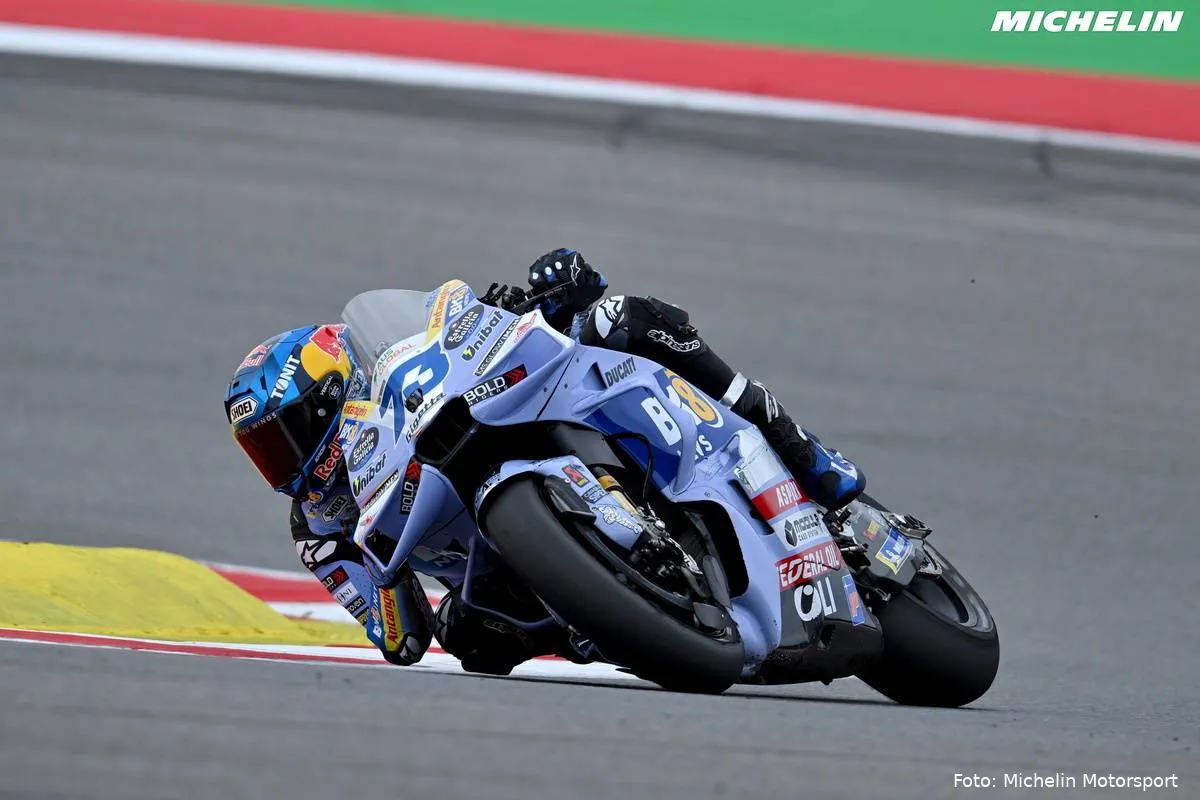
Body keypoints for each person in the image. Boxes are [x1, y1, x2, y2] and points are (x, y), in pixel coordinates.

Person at [223, 249, 865, 674]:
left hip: (519, 426)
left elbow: (472, 327)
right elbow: (399, 638)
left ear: (332, 393)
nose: (281, 463)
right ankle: (625, 612)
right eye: (263, 452)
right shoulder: (317, 529)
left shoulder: (395, 384)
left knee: (620, 319)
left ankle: (801, 449)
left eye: (284, 437)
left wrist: (549, 296)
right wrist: (388, 586)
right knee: (471, 644)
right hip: (504, 583)